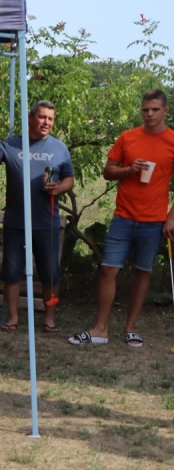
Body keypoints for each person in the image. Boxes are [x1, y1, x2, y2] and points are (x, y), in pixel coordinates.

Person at [69, 89, 174, 348]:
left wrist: (171, 216)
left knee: (142, 273)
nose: (149, 114)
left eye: (154, 109)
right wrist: (129, 170)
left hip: (154, 220)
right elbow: (108, 172)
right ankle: (100, 329)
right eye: (145, 109)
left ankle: (130, 329)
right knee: (107, 270)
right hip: (123, 217)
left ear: (165, 111)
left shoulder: (172, 140)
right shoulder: (127, 137)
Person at [0, 101, 74, 333]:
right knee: (12, 271)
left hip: (46, 223)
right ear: (30, 119)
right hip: (16, 222)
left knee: (50, 274)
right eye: (41, 117)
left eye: (50, 118)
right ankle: (12, 317)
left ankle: (49, 319)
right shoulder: (12, 144)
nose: (46, 122)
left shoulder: (59, 148)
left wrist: (58, 188)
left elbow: (69, 179)